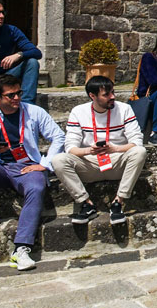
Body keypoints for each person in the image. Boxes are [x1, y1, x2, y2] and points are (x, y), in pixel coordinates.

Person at [0, 73, 64, 271]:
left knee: (36, 187)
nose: (17, 98)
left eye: (19, 93)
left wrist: (44, 164)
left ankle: (22, 248)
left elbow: (59, 136)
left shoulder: (34, 111)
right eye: (11, 95)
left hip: (27, 166)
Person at [55, 75, 146, 226]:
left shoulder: (125, 109)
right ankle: (86, 203)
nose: (113, 97)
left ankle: (118, 202)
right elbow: (70, 147)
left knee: (140, 152)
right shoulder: (78, 112)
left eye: (113, 92)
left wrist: (114, 148)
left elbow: (136, 142)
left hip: (117, 160)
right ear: (92, 96)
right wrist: (89, 151)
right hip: (90, 163)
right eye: (106, 94)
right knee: (58, 160)